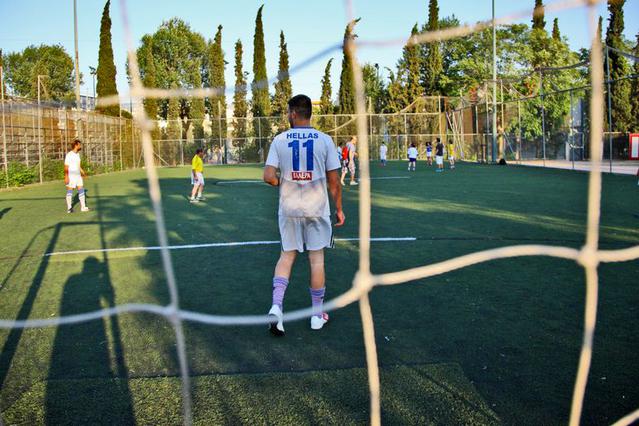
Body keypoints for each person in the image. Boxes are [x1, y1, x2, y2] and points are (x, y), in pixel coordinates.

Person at [263, 94, 345, 335]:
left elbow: (268, 176)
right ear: (310, 113)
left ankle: (277, 308)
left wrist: (284, 183)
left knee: (286, 257)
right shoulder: (325, 140)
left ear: (292, 113)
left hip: (289, 208)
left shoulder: (279, 139)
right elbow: (334, 182)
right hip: (317, 208)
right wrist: (339, 209)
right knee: (316, 259)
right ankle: (316, 316)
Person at [64, 139, 90, 213]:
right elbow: (66, 167)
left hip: (78, 176)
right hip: (71, 176)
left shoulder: (78, 154)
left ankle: (83, 207)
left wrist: (82, 172)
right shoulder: (69, 155)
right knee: (70, 191)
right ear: (76, 145)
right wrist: (66, 177)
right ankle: (69, 208)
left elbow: (78, 166)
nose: (80, 146)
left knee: (81, 189)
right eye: (79, 145)